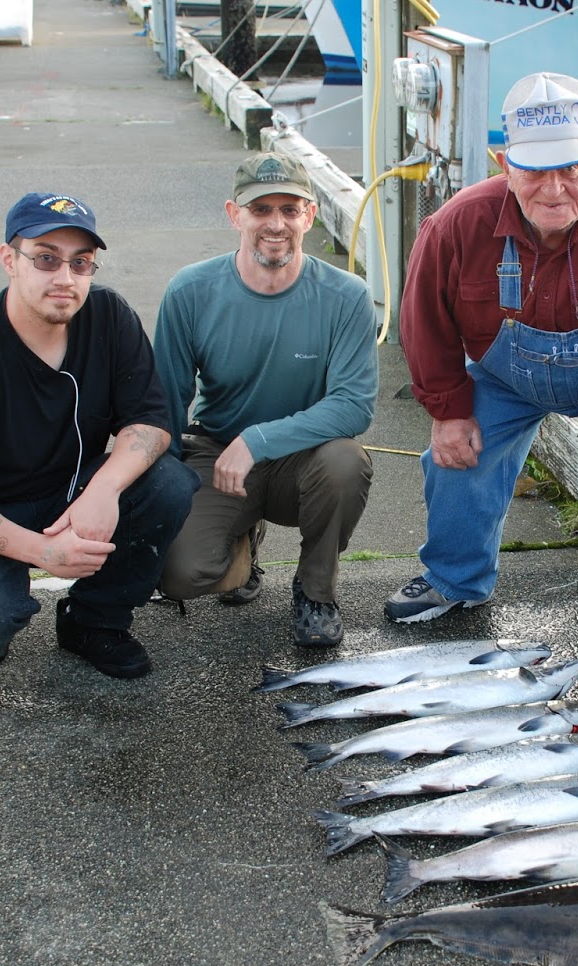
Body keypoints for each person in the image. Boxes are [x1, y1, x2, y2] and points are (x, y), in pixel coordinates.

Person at [384, 71, 578, 679]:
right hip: (505, 376)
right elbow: (423, 320)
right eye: (533, 171)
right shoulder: (455, 225)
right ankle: (454, 579)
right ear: (504, 162)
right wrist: (447, 410)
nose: (553, 188)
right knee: (456, 458)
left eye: (572, 169)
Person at [0, 192, 198, 678]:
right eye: (46, 259)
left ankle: (94, 620)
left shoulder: (110, 318)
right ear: (9, 260)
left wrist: (104, 490)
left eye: (80, 263)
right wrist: (43, 553)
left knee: (168, 483)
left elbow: (151, 421)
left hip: (69, 487)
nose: (64, 278)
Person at [153, 151, 377, 647]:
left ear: (310, 216)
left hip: (306, 459)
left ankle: (315, 591)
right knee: (180, 575)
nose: (275, 224)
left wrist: (258, 439)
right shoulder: (190, 291)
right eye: (260, 210)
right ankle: (241, 546)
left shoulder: (347, 296)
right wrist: (161, 488)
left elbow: (353, 405)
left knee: (347, 462)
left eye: (290, 209)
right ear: (235, 215)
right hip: (218, 455)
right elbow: (165, 399)